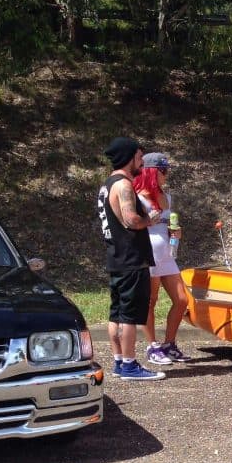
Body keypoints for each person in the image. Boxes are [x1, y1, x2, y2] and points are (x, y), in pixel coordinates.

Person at [97, 136, 165, 380]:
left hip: (116, 257)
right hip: (131, 258)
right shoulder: (124, 185)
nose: (141, 163)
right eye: (138, 157)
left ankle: (118, 361)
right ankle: (129, 365)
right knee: (129, 315)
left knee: (116, 313)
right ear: (128, 158)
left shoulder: (107, 184)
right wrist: (151, 220)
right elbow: (130, 219)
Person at [133, 152, 190, 365]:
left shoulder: (166, 197)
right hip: (147, 255)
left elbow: (166, 226)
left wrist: (175, 233)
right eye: (162, 171)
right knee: (150, 301)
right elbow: (133, 225)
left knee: (182, 299)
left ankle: (169, 344)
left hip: (167, 255)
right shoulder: (136, 197)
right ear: (150, 171)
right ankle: (152, 346)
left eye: (166, 171)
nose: (166, 175)